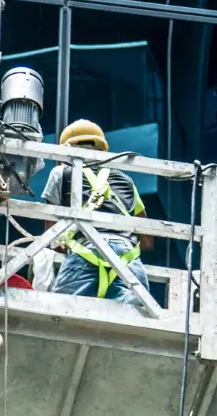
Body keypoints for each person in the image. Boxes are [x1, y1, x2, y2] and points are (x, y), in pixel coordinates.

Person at [41, 119, 153, 307]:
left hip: (85, 253)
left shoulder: (61, 173)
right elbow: (148, 239)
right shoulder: (126, 180)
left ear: (66, 151)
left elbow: (51, 233)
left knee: (59, 314)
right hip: (128, 258)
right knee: (133, 320)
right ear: (102, 150)